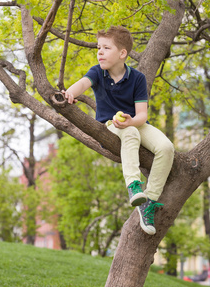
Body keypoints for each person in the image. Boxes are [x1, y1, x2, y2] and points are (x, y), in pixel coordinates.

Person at [63, 25, 174, 235]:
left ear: (122, 53)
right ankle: (134, 185)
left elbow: (142, 115)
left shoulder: (137, 78)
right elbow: (81, 85)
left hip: (134, 123)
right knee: (130, 134)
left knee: (166, 148)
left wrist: (131, 121)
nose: (100, 52)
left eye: (106, 48)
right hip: (109, 127)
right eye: (98, 47)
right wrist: (69, 94)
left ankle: (148, 201)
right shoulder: (97, 73)